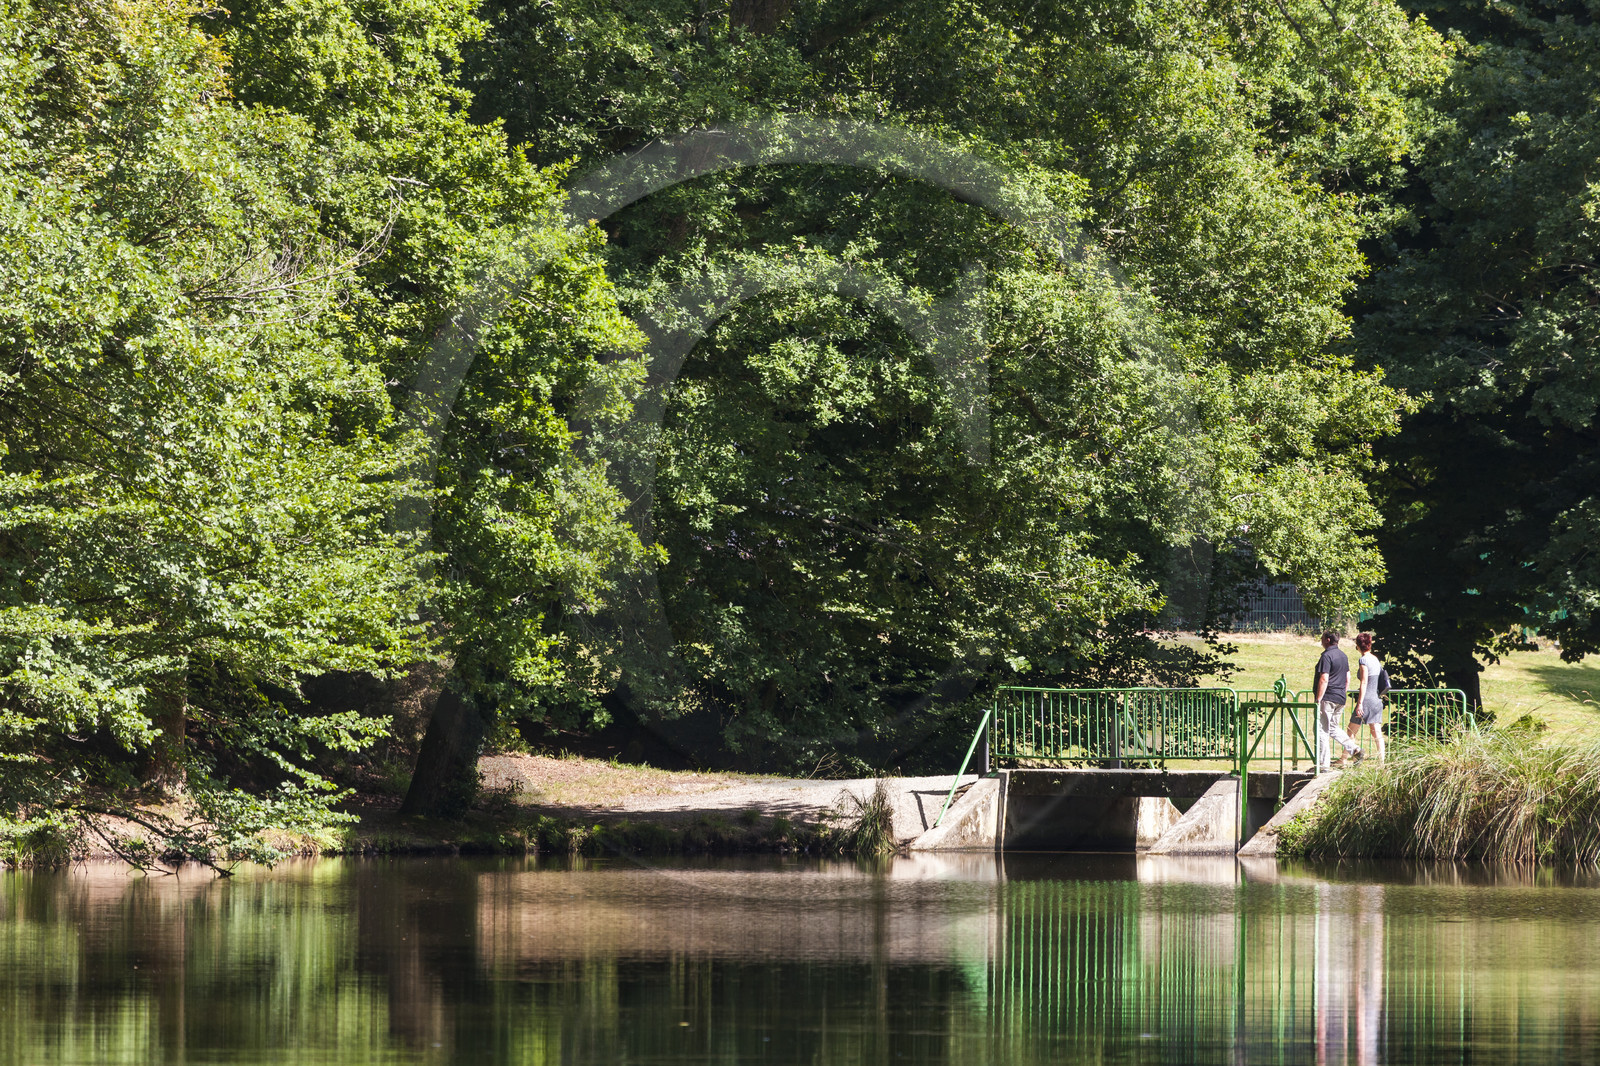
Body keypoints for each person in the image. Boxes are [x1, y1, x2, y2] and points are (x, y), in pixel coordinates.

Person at [1313, 630, 1362, 770]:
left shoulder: (1326, 656)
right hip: (1340, 697)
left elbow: (1324, 679)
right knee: (1333, 728)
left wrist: (1318, 699)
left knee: (1322, 729)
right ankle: (1355, 749)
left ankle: (1323, 765)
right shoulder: (1343, 656)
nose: (1321, 640)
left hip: (1327, 697)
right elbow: (1348, 678)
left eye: (1322, 638)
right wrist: (1342, 693)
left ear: (1328, 640)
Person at [1347, 632, 1386, 763]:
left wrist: (1359, 704)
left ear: (1358, 645)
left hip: (1366, 700)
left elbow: (1364, 682)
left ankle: (1348, 759)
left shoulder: (1363, 660)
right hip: (1376, 699)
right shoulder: (1375, 660)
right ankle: (1382, 761)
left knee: (1350, 731)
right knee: (1377, 732)